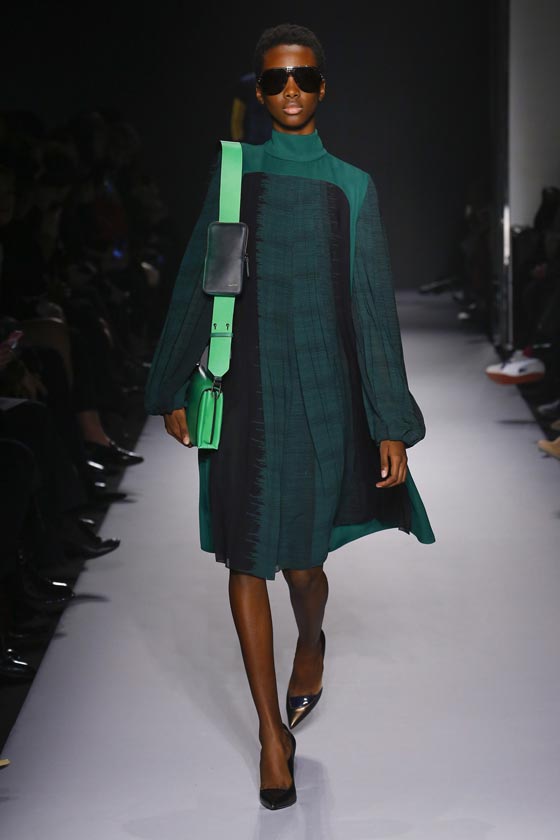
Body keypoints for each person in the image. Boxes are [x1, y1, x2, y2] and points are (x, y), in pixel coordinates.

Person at [145, 23, 435, 810]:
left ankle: (311, 637)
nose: (291, 91)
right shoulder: (236, 172)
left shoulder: (352, 186)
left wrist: (388, 418)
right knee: (248, 557)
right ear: (261, 90)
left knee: (304, 565)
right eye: (276, 80)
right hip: (244, 386)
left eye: (303, 77)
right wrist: (172, 384)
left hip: (321, 390)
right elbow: (206, 277)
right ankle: (272, 736)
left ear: (323, 85)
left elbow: (371, 310)